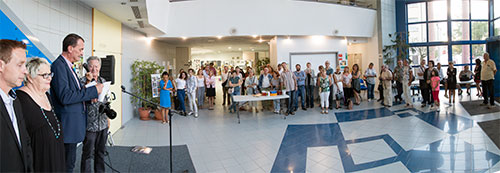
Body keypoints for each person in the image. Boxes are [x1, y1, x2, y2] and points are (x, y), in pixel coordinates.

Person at [50, 34, 103, 172]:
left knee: (70, 163)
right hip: (68, 127)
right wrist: (92, 91)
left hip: (73, 126)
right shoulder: (59, 66)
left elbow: (73, 93)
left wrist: (87, 90)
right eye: (80, 49)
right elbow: (65, 97)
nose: (82, 53)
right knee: (67, 166)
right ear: (70, 48)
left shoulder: (68, 66)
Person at [17, 58, 64, 172]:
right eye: (44, 75)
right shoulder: (20, 100)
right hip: (38, 163)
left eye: (50, 74)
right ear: (30, 77)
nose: (50, 78)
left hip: (55, 158)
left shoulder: (46, 96)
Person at [0, 39, 33, 172]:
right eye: (20, 65)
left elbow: (25, 143)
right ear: (1, 66)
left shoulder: (15, 100)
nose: (25, 71)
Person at [79, 56, 110, 172]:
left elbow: (106, 102)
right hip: (89, 125)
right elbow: (79, 99)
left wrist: (107, 119)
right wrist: (88, 82)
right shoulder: (81, 81)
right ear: (87, 67)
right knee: (87, 154)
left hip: (102, 123)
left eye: (96, 66)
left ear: (100, 67)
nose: (94, 69)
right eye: (91, 66)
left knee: (100, 153)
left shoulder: (103, 81)